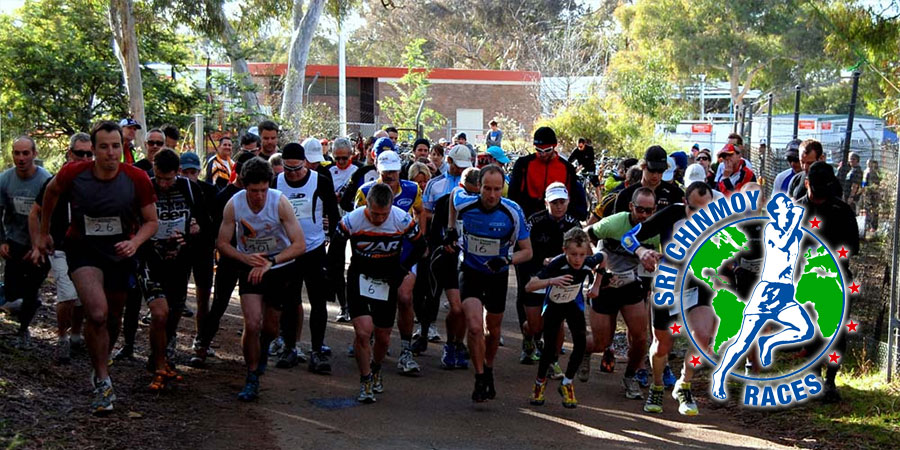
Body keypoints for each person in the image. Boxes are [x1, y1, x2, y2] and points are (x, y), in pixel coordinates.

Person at [35, 121, 159, 414]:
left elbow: (152, 222)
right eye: (103, 147)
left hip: (119, 250)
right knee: (97, 312)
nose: (110, 153)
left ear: (123, 147)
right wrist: (43, 232)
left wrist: (135, 242)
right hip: (83, 249)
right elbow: (50, 195)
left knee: (113, 317)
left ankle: (101, 360)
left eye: (115, 146)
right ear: (93, 149)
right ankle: (103, 379)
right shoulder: (74, 173)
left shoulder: (137, 177)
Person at [620, 181, 717, 415]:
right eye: (694, 210)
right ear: (685, 202)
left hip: (698, 286)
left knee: (703, 337)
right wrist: (643, 252)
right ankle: (657, 385)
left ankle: (684, 384)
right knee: (662, 345)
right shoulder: (671, 214)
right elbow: (628, 239)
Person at [216, 157, 306, 401]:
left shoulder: (280, 203)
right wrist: (245, 260)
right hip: (251, 266)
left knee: (270, 327)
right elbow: (222, 243)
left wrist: (271, 262)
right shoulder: (234, 205)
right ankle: (252, 375)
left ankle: (264, 349)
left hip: (279, 266)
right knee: (253, 322)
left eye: (263, 190)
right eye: (253, 191)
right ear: (245, 186)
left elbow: (299, 245)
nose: (258, 196)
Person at [711, 193, 810, 401]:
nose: (790, 210)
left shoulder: (791, 229)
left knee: (805, 329)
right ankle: (721, 375)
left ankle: (768, 343)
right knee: (744, 340)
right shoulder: (772, 230)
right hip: (767, 291)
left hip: (785, 292)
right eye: (785, 208)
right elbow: (782, 244)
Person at [332, 183, 423, 403]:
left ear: (391, 208)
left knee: (382, 336)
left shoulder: (401, 219)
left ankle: (375, 368)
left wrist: (403, 269)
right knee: (363, 332)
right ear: (367, 206)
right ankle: (365, 381)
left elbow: (421, 246)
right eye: (374, 213)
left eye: (384, 214)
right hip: (359, 278)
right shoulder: (352, 220)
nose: (379, 219)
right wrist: (334, 282)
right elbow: (334, 251)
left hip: (387, 280)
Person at [448, 164, 532, 402]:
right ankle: (479, 375)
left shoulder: (512, 211)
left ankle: (489, 366)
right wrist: (451, 229)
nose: (492, 195)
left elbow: (527, 252)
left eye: (497, 189)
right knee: (474, 327)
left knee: (492, 330)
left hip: (497, 274)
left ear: (503, 188)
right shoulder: (467, 202)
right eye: (487, 188)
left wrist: (506, 259)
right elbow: (454, 196)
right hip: (470, 271)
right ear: (479, 187)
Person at [141, 148, 211, 390]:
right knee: (159, 312)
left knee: (174, 311)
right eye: (159, 177)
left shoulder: (190, 189)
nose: (163, 183)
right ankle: (158, 359)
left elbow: (205, 224)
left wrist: (193, 232)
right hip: (151, 261)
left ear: (177, 173)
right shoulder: (145, 188)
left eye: (168, 179)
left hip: (180, 262)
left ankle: (162, 354)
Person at [353, 150, 424, 374]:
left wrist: (418, 234)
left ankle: (405, 350)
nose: (390, 177)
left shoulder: (412, 189)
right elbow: (357, 223)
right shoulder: (365, 191)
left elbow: (420, 211)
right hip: (376, 254)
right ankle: (370, 337)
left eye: (393, 171)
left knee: (404, 297)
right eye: (385, 173)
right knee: (374, 298)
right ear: (378, 171)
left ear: (399, 170)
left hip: (404, 254)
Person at [583, 187, 657, 400]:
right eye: (640, 209)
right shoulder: (614, 222)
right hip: (605, 283)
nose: (643, 215)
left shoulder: (656, 227)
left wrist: (656, 261)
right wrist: (596, 261)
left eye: (649, 211)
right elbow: (586, 234)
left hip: (631, 284)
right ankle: (585, 352)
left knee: (641, 337)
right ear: (631, 207)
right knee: (600, 342)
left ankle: (631, 376)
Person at [796, 162, 859, 402]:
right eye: (815, 187)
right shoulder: (798, 210)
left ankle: (830, 380)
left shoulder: (841, 210)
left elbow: (851, 247)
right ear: (807, 183)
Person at [273, 143, 339, 374]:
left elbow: (334, 214)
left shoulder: (319, 180)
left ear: (305, 163)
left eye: (297, 169)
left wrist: (332, 248)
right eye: (288, 169)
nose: (293, 174)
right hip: (289, 251)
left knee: (318, 301)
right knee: (290, 301)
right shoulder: (277, 183)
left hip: (313, 248)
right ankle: (290, 347)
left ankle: (317, 348)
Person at [29, 133, 93, 363]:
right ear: (69, 153)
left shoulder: (96, 181)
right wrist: (39, 239)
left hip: (87, 247)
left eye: (89, 153)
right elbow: (35, 212)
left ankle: (76, 336)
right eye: (80, 153)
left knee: (83, 297)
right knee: (67, 293)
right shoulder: (56, 181)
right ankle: (62, 338)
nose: (85, 158)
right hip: (60, 246)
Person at [191, 151, 258, 366]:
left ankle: (258, 354)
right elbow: (213, 230)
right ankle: (202, 343)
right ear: (238, 173)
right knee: (220, 303)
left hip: (254, 258)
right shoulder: (225, 197)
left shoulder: (261, 195)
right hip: (229, 257)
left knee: (256, 309)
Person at [527, 228, 605, 408]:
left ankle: (567, 382)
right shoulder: (556, 264)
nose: (578, 259)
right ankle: (539, 384)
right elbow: (530, 286)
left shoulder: (588, 261)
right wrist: (551, 281)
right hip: (554, 306)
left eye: (582, 254)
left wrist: (596, 285)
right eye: (573, 255)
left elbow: (603, 257)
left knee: (581, 343)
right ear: (564, 251)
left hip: (573, 304)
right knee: (550, 348)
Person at [517, 183, 581, 370]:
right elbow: (522, 248)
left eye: (562, 202)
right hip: (537, 276)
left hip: (561, 279)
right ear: (546, 203)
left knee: (557, 322)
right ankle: (529, 338)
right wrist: (540, 263)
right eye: (554, 202)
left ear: (568, 202)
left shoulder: (573, 224)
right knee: (536, 326)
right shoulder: (534, 221)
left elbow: (583, 250)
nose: (559, 206)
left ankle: (553, 361)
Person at [425, 167, 479, 366]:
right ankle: (449, 344)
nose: (472, 196)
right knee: (456, 308)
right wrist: (444, 244)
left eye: (476, 193)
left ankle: (458, 343)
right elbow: (434, 233)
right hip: (450, 260)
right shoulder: (445, 202)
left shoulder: (483, 205)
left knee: (465, 309)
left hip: (473, 262)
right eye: (469, 191)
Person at [1, 135, 52, 344]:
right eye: (16, 153)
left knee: (32, 287)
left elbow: (52, 218)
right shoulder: (5, 179)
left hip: (40, 243)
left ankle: (23, 330)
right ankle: (14, 301)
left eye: (25, 153)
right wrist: (1, 240)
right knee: (13, 289)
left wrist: (39, 245)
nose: (21, 158)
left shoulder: (45, 180)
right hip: (15, 240)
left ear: (34, 154)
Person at [510, 126, 588, 222]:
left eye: (547, 150)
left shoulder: (567, 168)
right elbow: (513, 194)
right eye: (539, 150)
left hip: (556, 220)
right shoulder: (523, 164)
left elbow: (571, 197)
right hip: (528, 217)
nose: (543, 154)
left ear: (555, 146)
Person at [613, 146, 684, 214]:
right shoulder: (626, 195)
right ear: (643, 166)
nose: (655, 175)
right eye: (652, 170)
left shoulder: (676, 194)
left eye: (660, 170)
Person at [863, 159, 880, 233]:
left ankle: (873, 226)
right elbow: (864, 182)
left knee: (872, 210)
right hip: (866, 194)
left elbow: (875, 185)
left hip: (872, 195)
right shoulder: (866, 171)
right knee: (867, 210)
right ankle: (868, 225)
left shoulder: (873, 173)